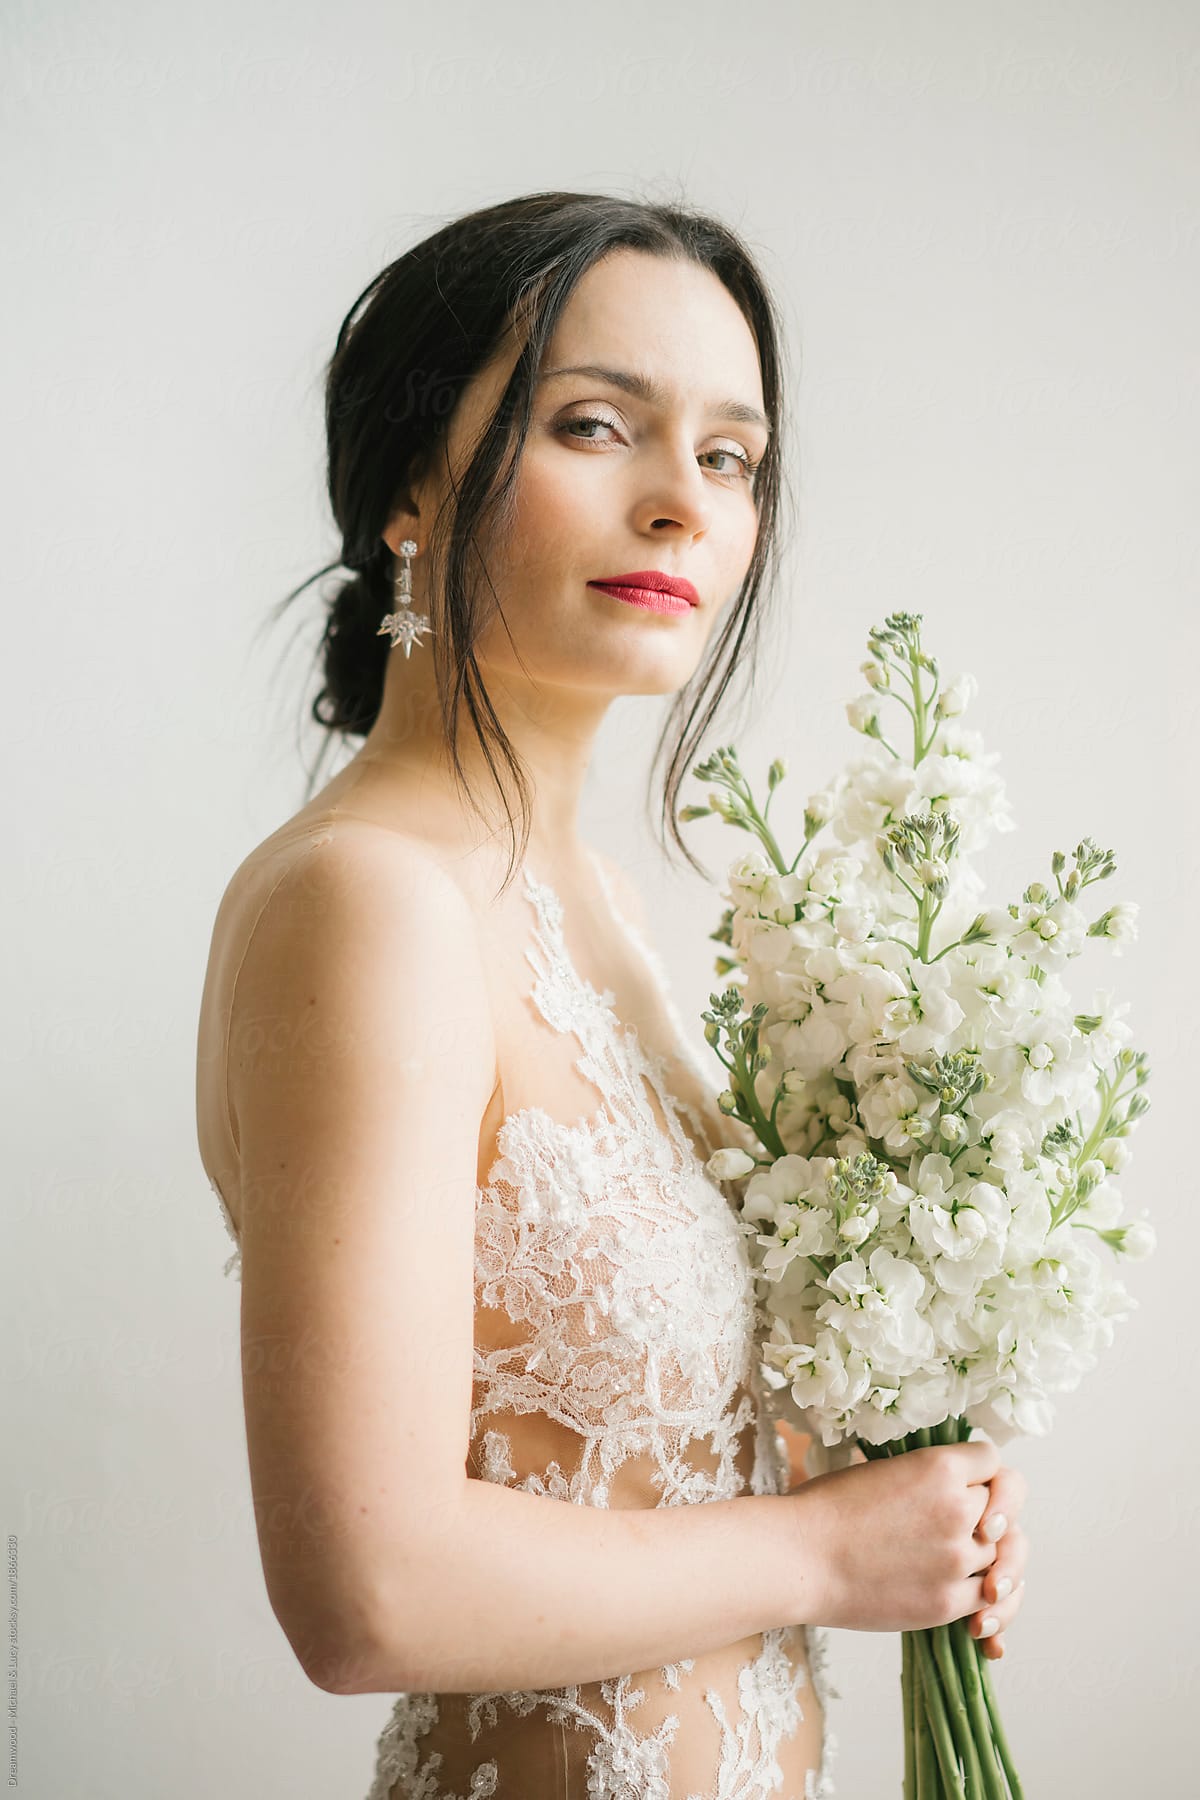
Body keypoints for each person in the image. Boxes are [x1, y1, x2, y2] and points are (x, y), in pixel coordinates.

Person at [195, 189, 1028, 1800]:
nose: (682, 507)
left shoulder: (605, 907)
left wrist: (891, 1490)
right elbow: (368, 1592)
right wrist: (825, 1554)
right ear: (407, 490)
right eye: (597, 426)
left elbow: (616, 1460)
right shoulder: (369, 902)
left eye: (731, 458)